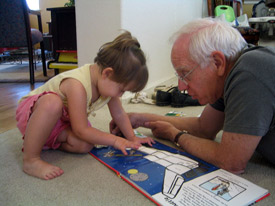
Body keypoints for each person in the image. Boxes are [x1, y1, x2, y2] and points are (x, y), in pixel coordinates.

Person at [110, 18, 275, 174]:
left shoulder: (249, 71)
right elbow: (203, 128)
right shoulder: (227, 75)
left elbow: (231, 162)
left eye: (185, 74)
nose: (181, 86)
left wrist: (176, 135)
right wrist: (139, 118)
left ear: (217, 62)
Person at [16, 31, 154, 180]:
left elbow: (119, 114)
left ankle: (45, 141)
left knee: (85, 145)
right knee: (53, 103)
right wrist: (115, 140)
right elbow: (81, 129)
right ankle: (31, 159)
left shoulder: (108, 87)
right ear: (107, 73)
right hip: (34, 116)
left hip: (59, 123)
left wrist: (132, 137)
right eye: (121, 90)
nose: (120, 95)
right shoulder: (77, 85)